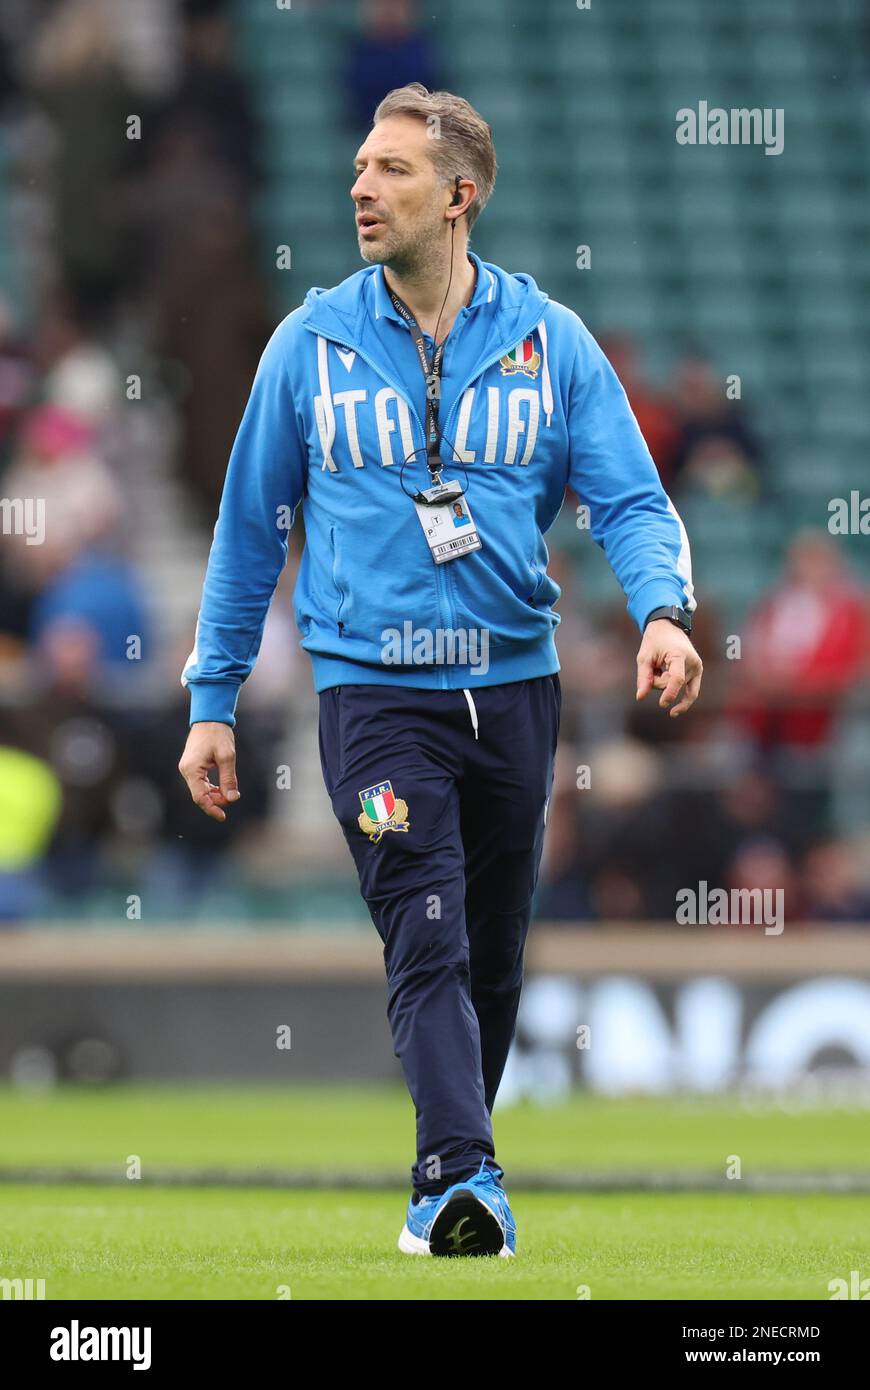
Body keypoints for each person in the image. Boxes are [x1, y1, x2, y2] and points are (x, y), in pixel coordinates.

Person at [177, 83, 702, 1258]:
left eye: (393, 171)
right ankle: (459, 1181)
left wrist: (663, 611)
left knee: (497, 953)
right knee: (428, 929)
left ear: (459, 196)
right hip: (374, 697)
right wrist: (213, 700)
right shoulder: (307, 343)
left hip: (519, 689)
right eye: (360, 166)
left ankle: (449, 1177)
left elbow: (625, 495)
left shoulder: (548, 340)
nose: (361, 186)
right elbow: (248, 531)